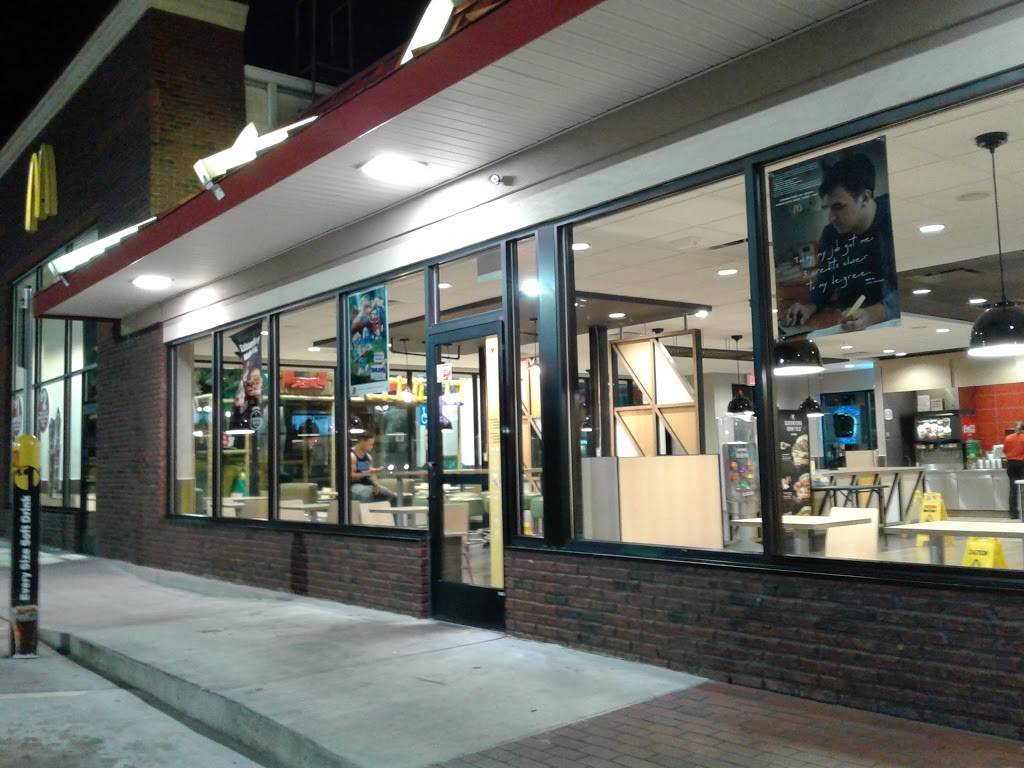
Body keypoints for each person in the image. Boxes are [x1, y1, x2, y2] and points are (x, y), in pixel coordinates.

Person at [784, 152, 898, 333]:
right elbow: (825, 281)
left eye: (838, 207)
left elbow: (908, 285)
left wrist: (875, 313)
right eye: (828, 208)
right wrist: (809, 306)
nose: (831, 217)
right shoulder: (830, 235)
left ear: (865, 198)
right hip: (845, 327)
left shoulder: (894, 222)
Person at [350, 434, 397, 506]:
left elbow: (370, 474)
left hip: (367, 484)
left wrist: (376, 484)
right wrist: (367, 472)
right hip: (353, 485)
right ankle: (366, 513)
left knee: (391, 496)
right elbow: (350, 476)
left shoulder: (368, 457)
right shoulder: (352, 456)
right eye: (370, 444)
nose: (371, 446)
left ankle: (391, 513)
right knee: (367, 495)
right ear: (362, 442)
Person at [1003, 421, 1024, 520]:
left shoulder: (1008, 438)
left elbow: (1005, 451)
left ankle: (1013, 514)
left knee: (1013, 489)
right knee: (1023, 488)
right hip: (1022, 465)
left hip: (1011, 465)